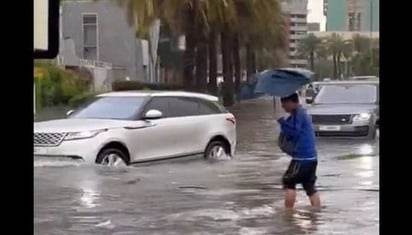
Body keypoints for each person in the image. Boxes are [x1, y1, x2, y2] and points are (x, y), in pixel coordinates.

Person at [276, 93, 321, 208]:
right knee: (309, 186)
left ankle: (288, 214)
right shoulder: (299, 113)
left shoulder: (298, 114)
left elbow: (294, 131)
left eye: (284, 104)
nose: (283, 107)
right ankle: (316, 213)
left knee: (289, 183)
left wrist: (281, 121)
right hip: (311, 158)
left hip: (301, 158)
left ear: (292, 102)